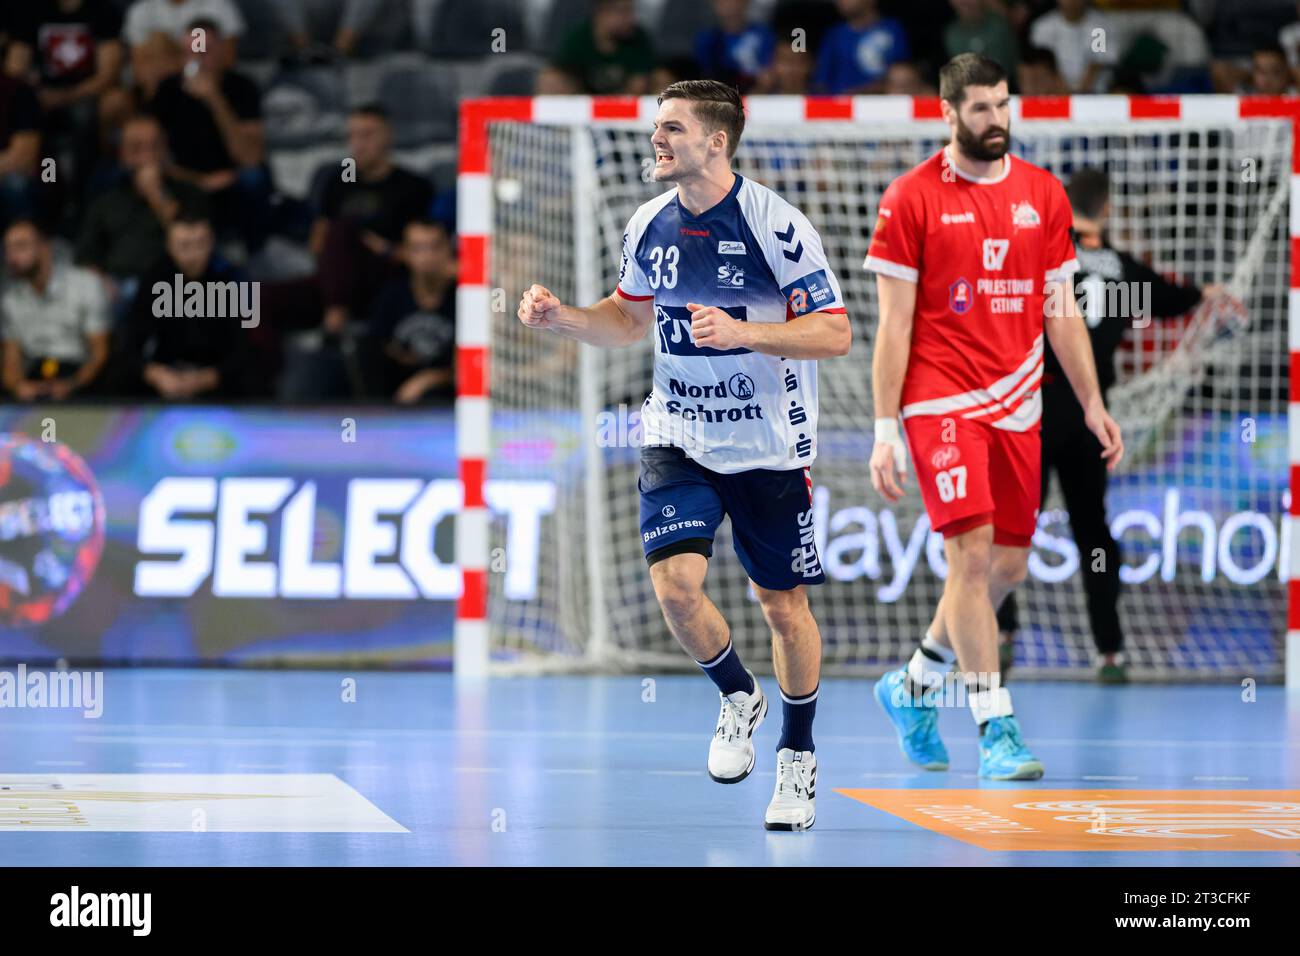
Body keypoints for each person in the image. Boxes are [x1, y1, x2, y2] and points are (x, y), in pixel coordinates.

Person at [518, 80, 851, 830]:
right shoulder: (648, 223)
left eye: (671, 128)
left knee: (782, 606)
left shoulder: (774, 225)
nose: (656, 141)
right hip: (679, 434)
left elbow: (834, 333)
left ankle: (797, 757)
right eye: (654, 129)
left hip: (769, 443)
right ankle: (739, 695)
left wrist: (746, 334)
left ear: (716, 142)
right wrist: (563, 318)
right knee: (673, 587)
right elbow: (629, 321)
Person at [865, 54, 1123, 780]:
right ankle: (995, 728)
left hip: (1021, 398)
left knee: (1007, 563)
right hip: (940, 397)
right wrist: (886, 429)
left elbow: (1060, 309)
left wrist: (1095, 402)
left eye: (1002, 105)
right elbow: (893, 325)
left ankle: (912, 686)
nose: (995, 120)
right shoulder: (911, 197)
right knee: (971, 555)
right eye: (979, 108)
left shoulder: (1043, 193)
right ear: (948, 114)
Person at [995, 168, 1224, 683]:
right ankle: (1110, 647)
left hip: (1033, 406)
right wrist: (1204, 292)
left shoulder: (1044, 255)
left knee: (1013, 525)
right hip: (1090, 413)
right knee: (1093, 530)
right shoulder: (1121, 268)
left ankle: (1003, 631)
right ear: (1108, 209)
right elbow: (1169, 297)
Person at [145, 17, 269, 250]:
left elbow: (250, 158)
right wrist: (195, 180)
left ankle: (255, 255)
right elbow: (155, 150)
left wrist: (214, 99)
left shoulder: (242, 88)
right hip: (184, 178)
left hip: (232, 178)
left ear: (222, 51)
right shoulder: (168, 90)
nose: (198, 60)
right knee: (141, 176)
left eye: (206, 51)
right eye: (191, 52)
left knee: (254, 179)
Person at [76, 112, 208, 320]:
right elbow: (86, 257)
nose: (147, 157)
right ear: (122, 154)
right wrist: (101, 283)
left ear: (166, 150)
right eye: (136, 149)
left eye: (155, 147)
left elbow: (194, 244)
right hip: (119, 286)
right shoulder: (105, 200)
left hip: (176, 285)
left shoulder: (189, 193)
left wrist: (157, 196)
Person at [117, 213, 249, 399]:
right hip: (165, 379)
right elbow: (131, 346)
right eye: (184, 246)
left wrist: (207, 378)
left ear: (211, 242)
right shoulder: (154, 280)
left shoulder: (233, 280)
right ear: (169, 246)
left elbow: (245, 349)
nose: (193, 254)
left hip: (218, 381)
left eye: (200, 244)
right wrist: (155, 374)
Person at [1, 218, 110, 400]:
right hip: (35, 375)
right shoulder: (9, 299)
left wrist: (73, 384)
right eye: (8, 249)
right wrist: (19, 386)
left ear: (44, 248)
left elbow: (99, 354)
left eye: (20, 246)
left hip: (80, 375)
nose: (11, 257)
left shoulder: (86, 284)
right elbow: (11, 361)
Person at [363, 219, 455, 404]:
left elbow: (471, 368)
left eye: (435, 246)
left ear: (448, 249)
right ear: (405, 253)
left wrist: (428, 379)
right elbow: (377, 347)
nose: (428, 256)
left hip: (447, 399)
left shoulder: (467, 297)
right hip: (393, 395)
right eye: (418, 248)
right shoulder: (391, 296)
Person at [539, 0, 655, 95]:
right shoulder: (579, 37)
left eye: (631, 12)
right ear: (601, 14)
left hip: (626, 105)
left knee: (661, 80)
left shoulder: (638, 38)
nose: (630, 19)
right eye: (623, 12)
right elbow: (559, 72)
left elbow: (640, 82)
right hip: (583, 100)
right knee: (549, 80)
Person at [812, 0, 910, 94]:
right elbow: (821, 81)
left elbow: (901, 75)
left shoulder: (891, 29)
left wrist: (865, 92)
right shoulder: (834, 34)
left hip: (882, 105)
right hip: (841, 107)